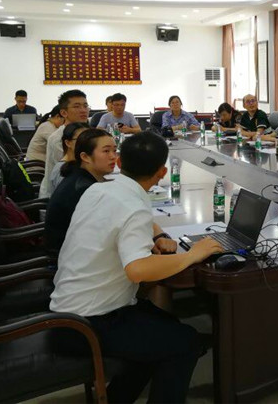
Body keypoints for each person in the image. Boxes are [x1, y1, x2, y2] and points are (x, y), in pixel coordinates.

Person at [50, 132, 223, 403]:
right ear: (162, 172)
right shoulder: (132, 206)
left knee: (167, 326)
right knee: (186, 343)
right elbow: (138, 269)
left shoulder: (99, 188)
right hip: (89, 323)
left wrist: (155, 236)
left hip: (68, 311)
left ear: (119, 162)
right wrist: (193, 255)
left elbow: (121, 224)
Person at [44, 129, 117, 257]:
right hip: (69, 257)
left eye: (114, 151)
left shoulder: (78, 174)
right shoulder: (84, 189)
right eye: (106, 151)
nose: (113, 156)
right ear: (85, 157)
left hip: (76, 249)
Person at [40, 89, 90, 198]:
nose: (83, 110)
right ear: (64, 113)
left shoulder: (84, 132)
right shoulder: (59, 138)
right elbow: (71, 170)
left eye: (85, 106)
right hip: (59, 194)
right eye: (77, 106)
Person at [49, 122, 91, 194]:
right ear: (68, 143)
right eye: (81, 139)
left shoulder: (81, 164)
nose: (87, 143)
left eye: (90, 139)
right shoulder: (63, 170)